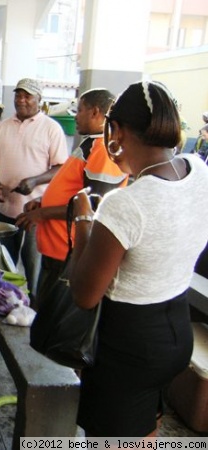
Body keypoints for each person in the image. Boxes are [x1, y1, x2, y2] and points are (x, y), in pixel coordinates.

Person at [69, 81, 208, 437]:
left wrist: (84, 217)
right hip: (176, 329)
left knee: (114, 437)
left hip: (129, 345)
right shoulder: (199, 170)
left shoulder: (125, 205)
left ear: (116, 130)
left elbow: (85, 294)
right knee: (144, 424)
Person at [15, 88, 127, 310]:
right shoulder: (90, 143)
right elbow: (73, 189)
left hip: (70, 252)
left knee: (57, 322)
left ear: (95, 112)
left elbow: (95, 205)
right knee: (46, 314)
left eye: (80, 110)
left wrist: (43, 213)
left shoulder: (104, 150)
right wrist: (43, 203)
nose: (75, 116)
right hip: (56, 249)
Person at [0, 78, 68, 292]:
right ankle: (2, 301)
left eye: (27, 96)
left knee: (33, 266)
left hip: (34, 212)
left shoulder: (52, 129)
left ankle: (32, 307)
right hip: (4, 209)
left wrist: (35, 180)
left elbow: (61, 167)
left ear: (39, 100)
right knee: (3, 264)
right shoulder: (3, 127)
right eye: (18, 95)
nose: (21, 100)